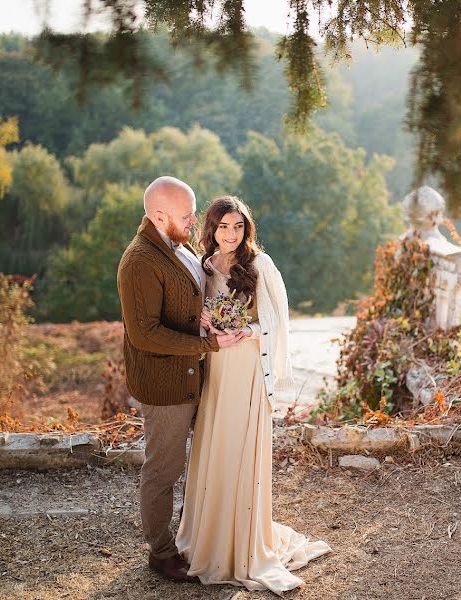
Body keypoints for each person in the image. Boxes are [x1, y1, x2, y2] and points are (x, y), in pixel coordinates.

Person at [175, 196, 330, 594]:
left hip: (246, 371)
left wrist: (248, 331)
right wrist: (207, 322)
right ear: (211, 229)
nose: (230, 234)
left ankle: (242, 546)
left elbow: (277, 320)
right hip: (216, 371)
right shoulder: (204, 265)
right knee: (215, 448)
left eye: (238, 227)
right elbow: (195, 314)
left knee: (241, 451)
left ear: (246, 230)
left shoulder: (261, 265)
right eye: (223, 227)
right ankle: (210, 539)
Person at [117, 176, 242, 583]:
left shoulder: (175, 243)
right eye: (187, 216)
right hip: (165, 384)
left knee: (199, 459)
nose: (195, 221)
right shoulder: (140, 261)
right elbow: (145, 334)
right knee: (163, 470)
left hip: (191, 374)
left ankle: (191, 535)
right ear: (159, 216)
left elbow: (188, 302)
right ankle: (161, 552)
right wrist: (209, 347)